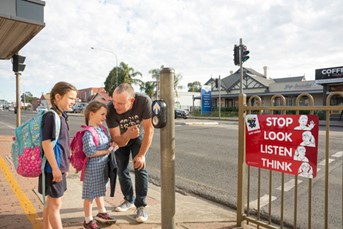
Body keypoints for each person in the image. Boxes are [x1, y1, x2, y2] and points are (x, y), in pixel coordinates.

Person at [106, 83, 154, 223]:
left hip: (138, 136)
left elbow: (149, 130)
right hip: (122, 138)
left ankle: (141, 205)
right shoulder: (111, 109)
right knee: (122, 169)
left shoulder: (144, 101)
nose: (116, 106)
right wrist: (127, 134)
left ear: (131, 101)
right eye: (114, 101)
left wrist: (142, 155)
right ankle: (128, 199)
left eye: (120, 103)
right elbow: (117, 139)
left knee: (140, 167)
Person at [38, 81, 77, 229]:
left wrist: (65, 166)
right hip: (52, 169)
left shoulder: (61, 116)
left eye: (75, 99)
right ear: (58, 97)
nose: (73, 102)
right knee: (56, 205)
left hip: (57, 167)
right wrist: (55, 168)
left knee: (50, 203)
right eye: (71, 98)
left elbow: (62, 144)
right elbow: (46, 143)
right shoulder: (51, 116)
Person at [81, 100, 116, 229]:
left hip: (103, 167)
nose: (104, 117)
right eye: (102, 114)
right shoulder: (88, 133)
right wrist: (108, 150)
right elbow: (90, 152)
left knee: (100, 191)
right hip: (92, 168)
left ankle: (102, 212)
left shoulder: (103, 129)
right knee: (90, 195)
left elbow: (108, 143)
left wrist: (112, 144)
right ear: (91, 114)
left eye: (105, 115)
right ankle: (87, 220)